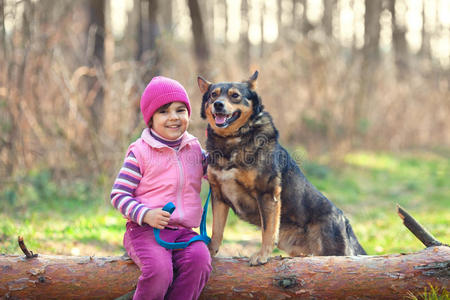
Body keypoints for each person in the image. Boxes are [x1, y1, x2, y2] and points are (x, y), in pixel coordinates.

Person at [110, 76, 211, 300]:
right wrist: (146, 214)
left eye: (180, 110)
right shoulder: (140, 152)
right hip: (145, 231)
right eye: (164, 111)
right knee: (159, 271)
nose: (173, 117)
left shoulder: (194, 148)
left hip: (183, 231)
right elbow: (119, 195)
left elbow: (215, 172)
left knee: (200, 261)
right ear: (151, 119)